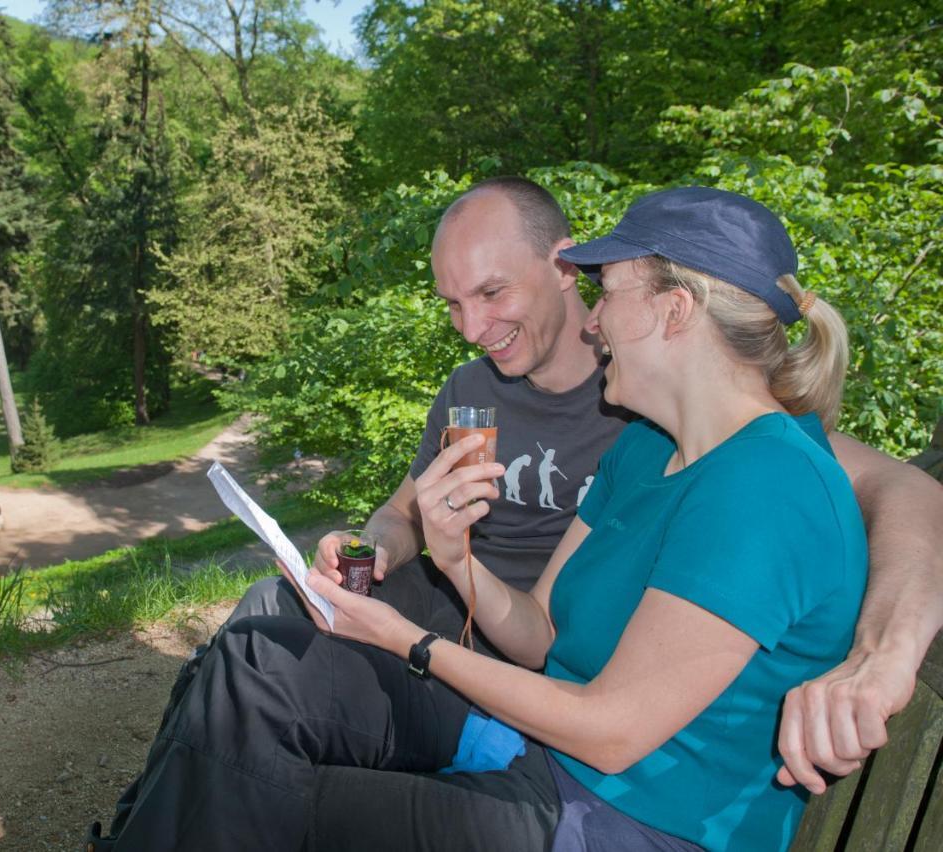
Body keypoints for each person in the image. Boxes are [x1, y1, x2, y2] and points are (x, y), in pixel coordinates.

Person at [92, 179, 943, 847]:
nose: (597, 317)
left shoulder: (766, 483)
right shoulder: (646, 447)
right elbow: (541, 630)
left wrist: (411, 643)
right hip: (553, 755)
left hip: (617, 808)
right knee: (254, 701)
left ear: (674, 308)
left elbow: (613, 733)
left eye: (606, 291)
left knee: (269, 807)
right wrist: (452, 557)